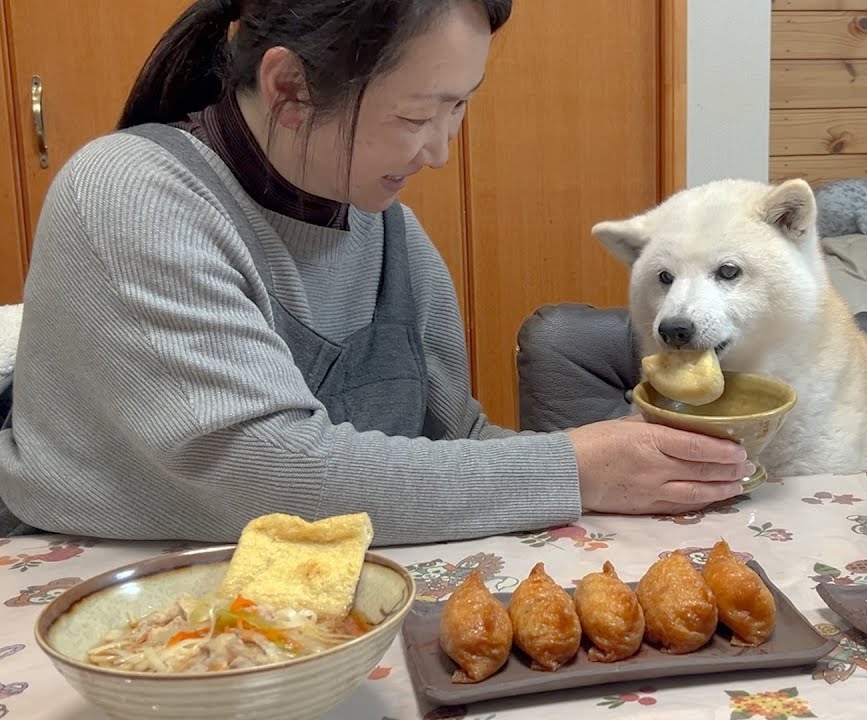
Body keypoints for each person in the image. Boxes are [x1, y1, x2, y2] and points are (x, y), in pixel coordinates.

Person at [0, 0, 753, 544]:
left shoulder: (385, 227)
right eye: (416, 115)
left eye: (459, 108)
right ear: (291, 88)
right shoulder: (130, 194)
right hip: (105, 607)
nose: (440, 150)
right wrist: (572, 467)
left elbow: (449, 441)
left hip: (325, 597)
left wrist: (634, 461)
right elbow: (270, 479)